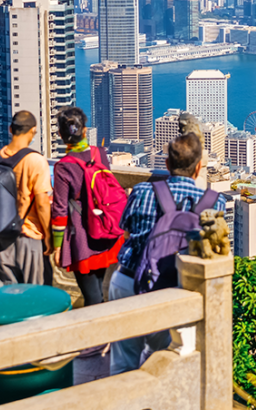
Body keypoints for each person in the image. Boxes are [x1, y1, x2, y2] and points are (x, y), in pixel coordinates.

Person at [109, 132, 226, 375]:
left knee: (123, 363)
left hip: (129, 281)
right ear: (198, 169)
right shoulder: (215, 203)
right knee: (167, 364)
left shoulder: (142, 192)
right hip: (176, 292)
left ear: (167, 164)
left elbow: (127, 234)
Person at [51, 107, 123, 307]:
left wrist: (57, 246)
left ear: (60, 135)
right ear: (85, 131)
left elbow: (59, 211)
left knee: (92, 296)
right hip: (105, 228)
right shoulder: (100, 154)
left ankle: (99, 336)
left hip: (82, 237)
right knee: (99, 290)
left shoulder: (63, 166)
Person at [0, 111, 52, 285]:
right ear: (33, 131)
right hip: (29, 235)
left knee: (7, 295)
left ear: (10, 129)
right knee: (36, 296)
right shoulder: (35, 161)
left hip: (3, 234)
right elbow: (42, 204)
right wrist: (48, 236)